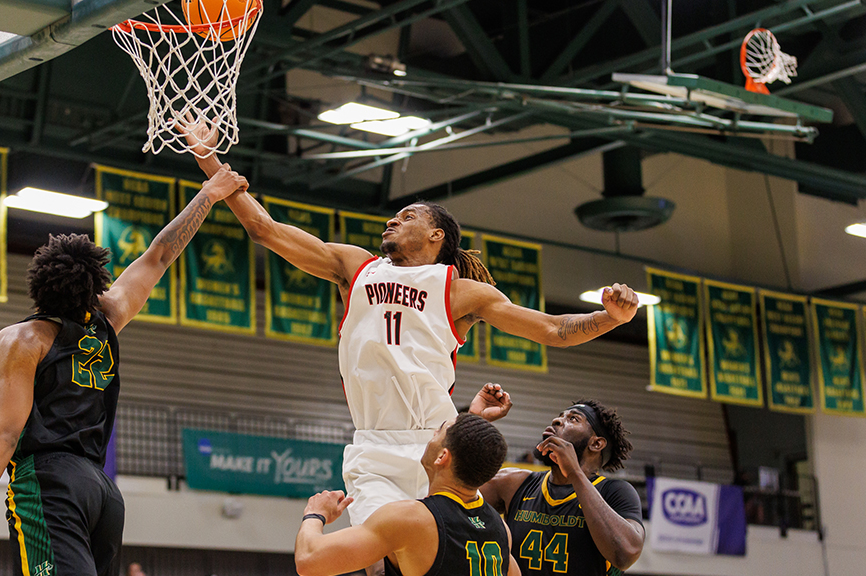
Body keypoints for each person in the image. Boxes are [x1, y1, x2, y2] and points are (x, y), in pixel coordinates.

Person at [183, 120, 640, 532]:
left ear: (437, 235)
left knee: (443, 558)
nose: (392, 219)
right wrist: (209, 160)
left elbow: (552, 330)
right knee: (382, 556)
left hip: (440, 445)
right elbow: (266, 230)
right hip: (372, 447)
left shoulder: (458, 290)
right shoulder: (354, 266)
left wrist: (610, 318)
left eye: (408, 217)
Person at [0, 165, 249, 576]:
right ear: (93, 287)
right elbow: (160, 254)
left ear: (39, 285)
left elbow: (4, 433)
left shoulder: (23, 340)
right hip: (101, 494)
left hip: (50, 484)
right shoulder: (109, 318)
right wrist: (208, 194)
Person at [296, 412, 520, 576]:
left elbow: (308, 561)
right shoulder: (501, 531)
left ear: (442, 457)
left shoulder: (411, 519)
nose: (431, 435)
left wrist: (315, 514)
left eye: (438, 431)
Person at [479, 400, 644, 576]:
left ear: (596, 444)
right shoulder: (514, 482)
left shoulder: (614, 491)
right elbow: (452, 488)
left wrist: (575, 474)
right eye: (559, 416)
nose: (556, 421)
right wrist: (476, 421)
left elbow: (626, 554)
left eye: (573, 419)